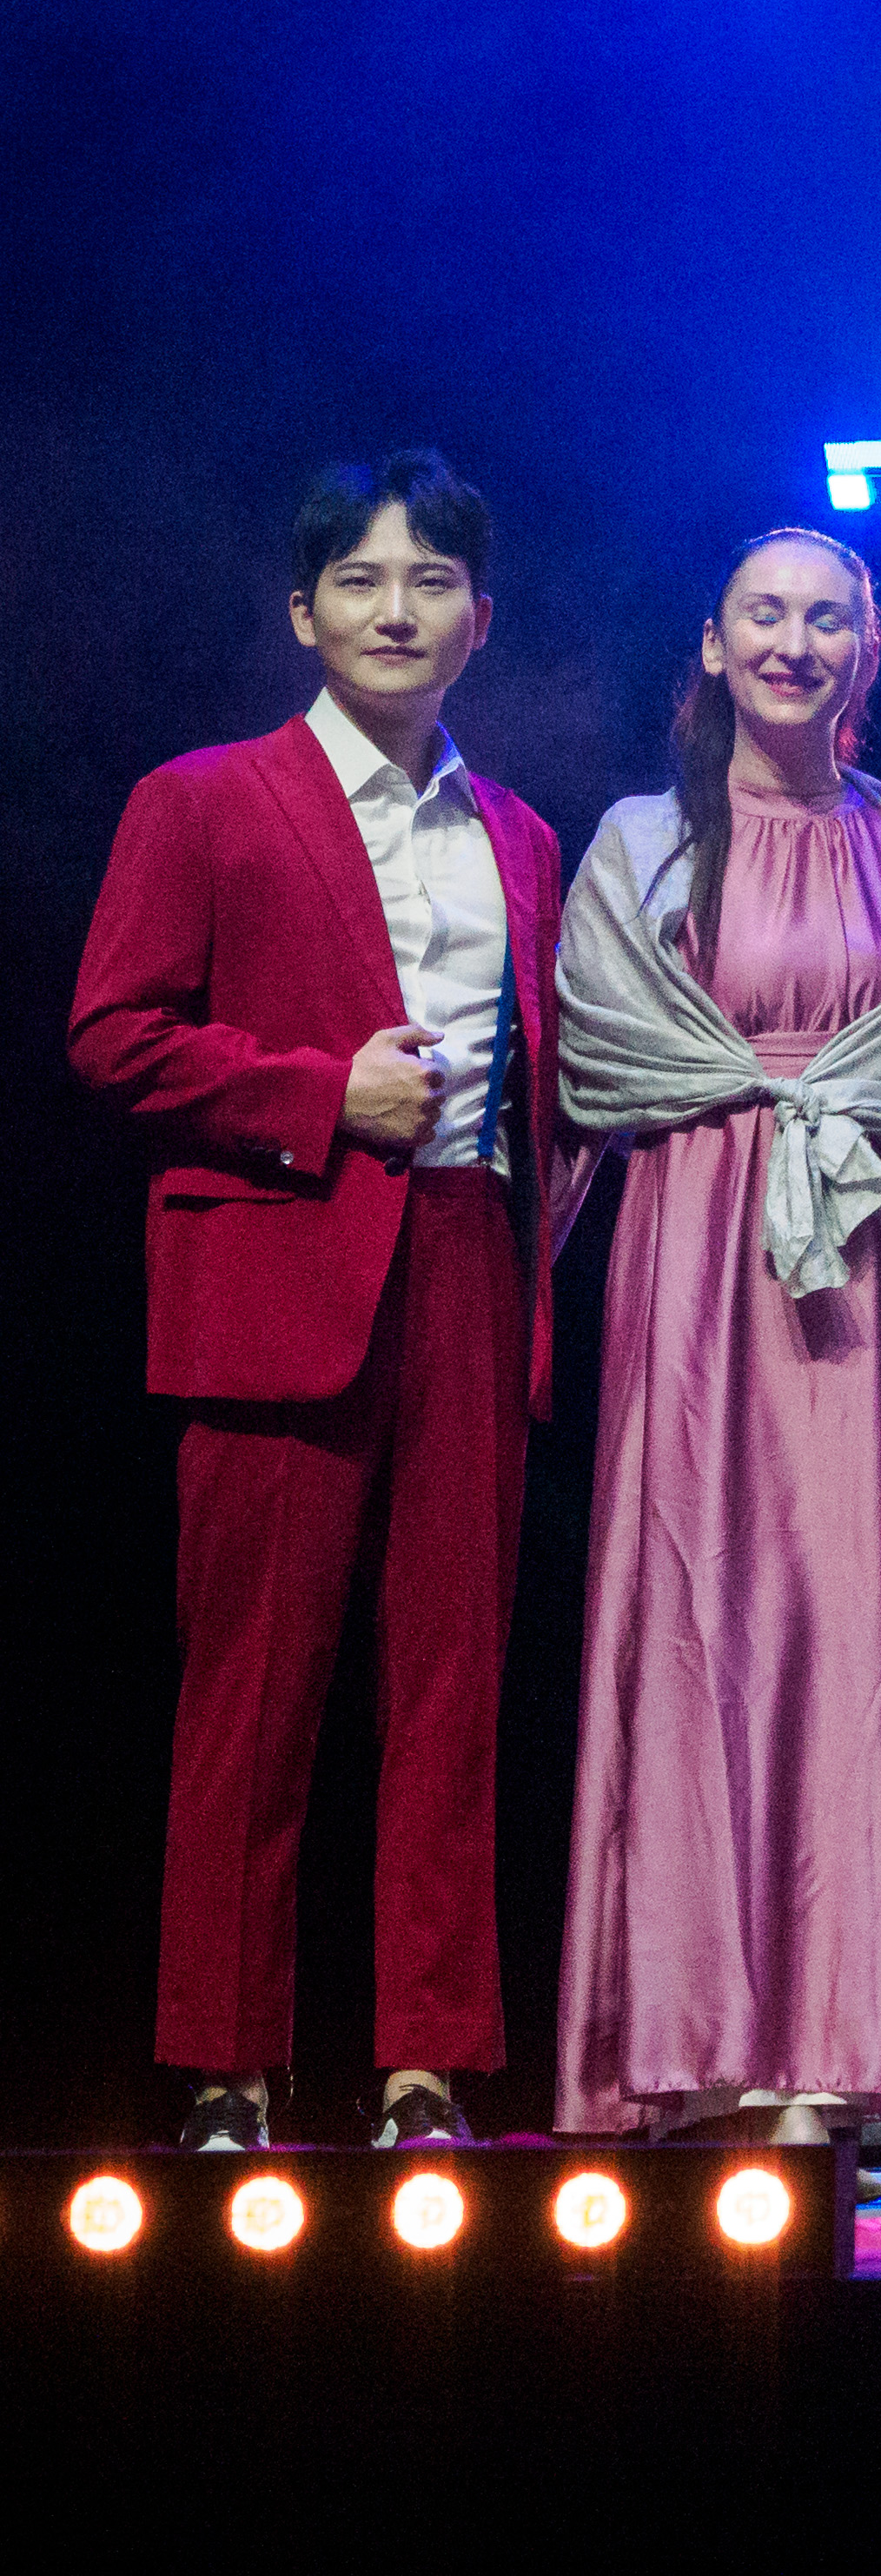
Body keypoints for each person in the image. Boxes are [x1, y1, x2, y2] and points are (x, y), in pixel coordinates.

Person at [69, 452, 564, 2153]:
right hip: (283, 1269)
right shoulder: (205, 800)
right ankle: (230, 2070)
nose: (395, 609)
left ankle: (428, 2068)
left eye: (430, 581)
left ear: (478, 623)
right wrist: (312, 1096)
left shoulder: (520, 836)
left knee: (450, 1690)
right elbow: (112, 1031)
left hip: (468, 1268)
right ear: (303, 613)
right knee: (253, 1697)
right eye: (360, 580)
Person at [548, 531, 881, 2142]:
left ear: (867, 653)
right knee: (692, 1612)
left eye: (829, 617)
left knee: (860, 1626)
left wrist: (841, 1103)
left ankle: (830, 2053)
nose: (795, 640)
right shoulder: (639, 844)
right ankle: (684, 2048)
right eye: (766, 612)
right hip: (694, 1252)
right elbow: (603, 1052)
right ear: (713, 641)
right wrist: (771, 1095)